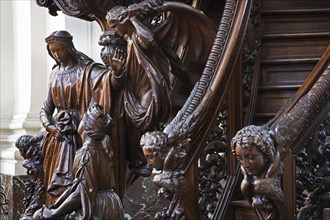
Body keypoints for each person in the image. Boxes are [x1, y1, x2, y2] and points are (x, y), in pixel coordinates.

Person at [40, 30, 126, 205]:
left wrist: (117, 73)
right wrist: (51, 127)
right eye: (53, 51)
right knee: (54, 183)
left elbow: (107, 82)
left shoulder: (86, 70)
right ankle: (55, 211)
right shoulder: (55, 73)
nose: (57, 54)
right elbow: (46, 109)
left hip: (79, 133)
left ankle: (73, 211)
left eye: (60, 50)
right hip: (57, 138)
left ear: (69, 48)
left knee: (76, 180)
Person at [106, 4, 172, 178]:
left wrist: (133, 16)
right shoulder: (128, 40)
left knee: (142, 121)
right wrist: (119, 70)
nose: (114, 31)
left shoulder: (136, 36)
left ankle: (148, 160)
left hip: (150, 89)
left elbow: (149, 40)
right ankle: (141, 161)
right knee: (131, 122)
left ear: (124, 20)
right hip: (137, 89)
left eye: (114, 26)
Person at [33, 103, 124, 220]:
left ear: (85, 127)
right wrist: (54, 207)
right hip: (111, 203)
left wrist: (54, 213)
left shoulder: (86, 153)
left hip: (98, 208)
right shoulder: (100, 148)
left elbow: (82, 192)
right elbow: (77, 187)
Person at [231, 125, 287, 220]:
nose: (245, 164)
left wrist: (273, 192)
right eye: (240, 159)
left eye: (251, 158)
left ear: (266, 156)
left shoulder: (272, 168)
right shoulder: (247, 177)